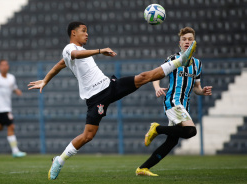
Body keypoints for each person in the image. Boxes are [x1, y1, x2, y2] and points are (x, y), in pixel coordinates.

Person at [27, 21, 196, 180]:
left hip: (110, 86)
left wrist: (45, 80)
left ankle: (180, 61)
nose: (87, 34)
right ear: (73, 33)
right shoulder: (69, 48)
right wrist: (100, 50)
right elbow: (75, 54)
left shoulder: (74, 52)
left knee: (143, 77)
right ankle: (60, 160)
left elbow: (58, 66)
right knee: (88, 136)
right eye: (83, 31)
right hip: (96, 98)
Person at [135, 27, 212, 176]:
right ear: (180, 43)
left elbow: (196, 87)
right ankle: (157, 129)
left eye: (190, 39)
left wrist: (202, 91)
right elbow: (156, 75)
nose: (187, 42)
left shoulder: (197, 64)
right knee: (191, 131)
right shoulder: (173, 60)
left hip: (184, 105)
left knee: (172, 142)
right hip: (173, 101)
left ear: (194, 42)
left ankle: (143, 168)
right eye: (184, 39)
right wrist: (157, 88)